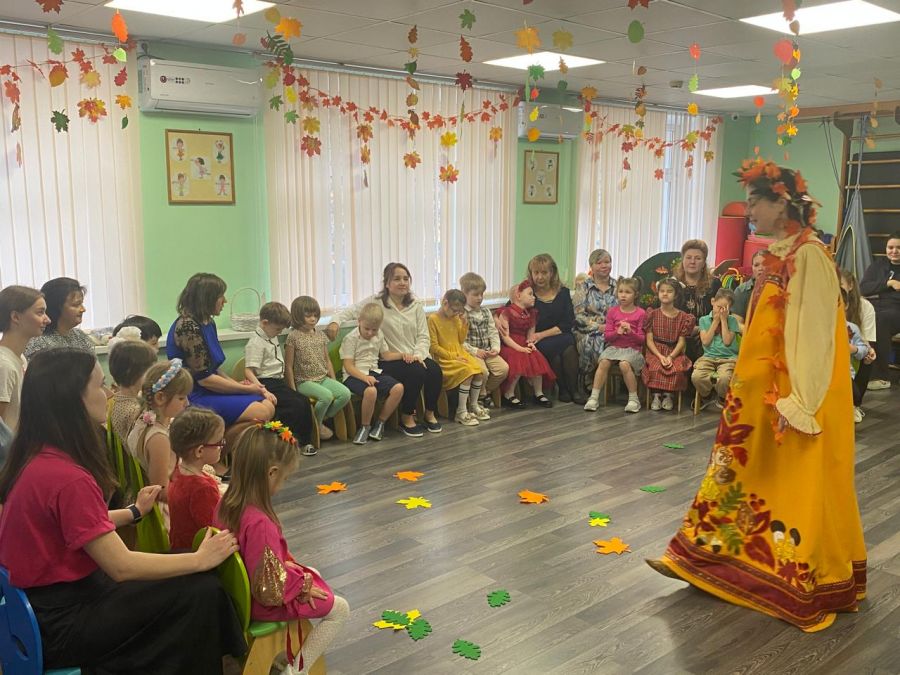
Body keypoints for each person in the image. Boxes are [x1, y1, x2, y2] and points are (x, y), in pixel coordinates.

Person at [648, 160, 866, 633]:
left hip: (791, 396)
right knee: (737, 474)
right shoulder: (777, 254)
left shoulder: (810, 257)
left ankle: (792, 578)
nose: (747, 211)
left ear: (781, 203)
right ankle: (700, 557)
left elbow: (816, 336)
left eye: (754, 202)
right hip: (758, 393)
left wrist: (800, 403)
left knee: (793, 486)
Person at [0, 349, 246, 673]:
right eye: (100, 385)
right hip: (63, 623)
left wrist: (133, 512)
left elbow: (77, 524)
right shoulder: (66, 476)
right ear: (74, 398)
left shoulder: (36, 456)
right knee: (201, 588)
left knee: (190, 571)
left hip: (40, 612)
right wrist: (201, 559)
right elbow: (121, 566)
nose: (107, 394)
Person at [215, 422, 349, 675]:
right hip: (260, 603)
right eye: (284, 478)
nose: (283, 483)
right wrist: (302, 586)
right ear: (271, 473)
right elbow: (269, 590)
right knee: (340, 609)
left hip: (237, 598)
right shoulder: (259, 523)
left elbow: (254, 563)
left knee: (311, 571)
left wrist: (292, 572)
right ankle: (296, 671)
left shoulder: (225, 502)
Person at [327, 263, 443, 437]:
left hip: (414, 355)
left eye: (406, 279)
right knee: (417, 372)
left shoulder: (416, 305)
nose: (402, 282)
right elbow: (350, 312)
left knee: (435, 371)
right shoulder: (376, 302)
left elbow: (423, 336)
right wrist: (334, 322)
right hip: (389, 358)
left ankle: (429, 414)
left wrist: (418, 355)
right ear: (387, 283)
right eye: (397, 279)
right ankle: (406, 417)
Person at [167, 273, 275, 426]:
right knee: (262, 412)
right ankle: (221, 440)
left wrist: (241, 386)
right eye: (220, 296)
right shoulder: (187, 326)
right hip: (192, 393)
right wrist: (245, 389)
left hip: (210, 387)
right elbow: (205, 380)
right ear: (207, 298)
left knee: (268, 405)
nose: (225, 300)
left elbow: (214, 369)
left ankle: (224, 439)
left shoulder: (208, 322)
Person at [244, 301, 316, 456]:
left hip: (278, 381)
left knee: (302, 401)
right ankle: (289, 443)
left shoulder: (270, 334)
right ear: (264, 323)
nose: (279, 332)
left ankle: (300, 441)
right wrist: (263, 391)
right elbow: (248, 371)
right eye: (277, 329)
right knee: (295, 404)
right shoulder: (255, 343)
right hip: (265, 383)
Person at [513, 254, 583, 403]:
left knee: (569, 347)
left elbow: (567, 323)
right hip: (537, 340)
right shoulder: (527, 293)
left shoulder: (563, 292)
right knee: (555, 353)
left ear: (552, 273)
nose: (540, 277)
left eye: (544, 272)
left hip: (558, 334)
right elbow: (510, 309)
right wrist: (497, 318)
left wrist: (541, 335)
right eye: (536, 273)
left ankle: (574, 390)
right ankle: (563, 389)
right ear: (531, 274)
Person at [285, 296, 350, 443]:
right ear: (297, 315)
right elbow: (288, 365)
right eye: (308, 316)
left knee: (345, 394)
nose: (313, 319)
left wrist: (333, 379)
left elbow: (327, 360)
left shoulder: (320, 335)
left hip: (323, 378)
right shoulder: (293, 337)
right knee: (326, 397)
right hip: (304, 382)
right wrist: (292, 389)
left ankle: (318, 419)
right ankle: (318, 426)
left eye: (315, 315)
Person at [127, 359, 192, 504]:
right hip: (164, 509)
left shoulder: (142, 419)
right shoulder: (158, 439)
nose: (187, 403)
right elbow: (161, 493)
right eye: (181, 398)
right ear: (160, 397)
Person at [339, 303, 404, 445]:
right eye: (366, 329)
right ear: (359, 321)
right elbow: (348, 366)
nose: (370, 333)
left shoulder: (379, 335)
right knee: (371, 391)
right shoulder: (351, 338)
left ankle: (380, 423)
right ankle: (365, 426)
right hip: (354, 375)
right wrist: (364, 377)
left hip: (374, 371)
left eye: (374, 330)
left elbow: (386, 355)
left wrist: (404, 355)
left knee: (398, 388)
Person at [584, 277, 646, 413]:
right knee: (603, 362)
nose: (623, 295)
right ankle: (594, 397)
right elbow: (607, 336)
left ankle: (633, 399)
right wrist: (617, 332)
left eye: (628, 292)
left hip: (632, 350)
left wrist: (630, 332)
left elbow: (641, 340)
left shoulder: (640, 313)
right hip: (614, 348)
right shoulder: (613, 311)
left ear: (635, 295)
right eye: (621, 291)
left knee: (624, 364)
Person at [168, 407, 226, 550]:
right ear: (200, 451)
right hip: (197, 552)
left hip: (181, 547)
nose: (222, 446)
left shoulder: (179, 471)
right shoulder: (202, 489)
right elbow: (216, 529)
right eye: (219, 443)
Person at [428, 290, 487, 426]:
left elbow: (460, 340)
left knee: (479, 371)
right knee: (467, 372)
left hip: (459, 353)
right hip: (444, 358)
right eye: (454, 310)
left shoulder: (455, 318)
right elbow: (434, 347)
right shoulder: (433, 319)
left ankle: (473, 405)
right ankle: (461, 411)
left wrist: (464, 323)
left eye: (459, 311)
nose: (456, 313)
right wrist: (452, 356)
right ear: (445, 303)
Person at [497, 280, 556, 409]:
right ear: (518, 296)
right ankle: (509, 393)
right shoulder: (507, 312)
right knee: (518, 359)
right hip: (510, 346)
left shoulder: (531, 314)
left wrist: (530, 344)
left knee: (536, 358)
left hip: (523, 344)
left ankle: (538, 393)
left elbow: (530, 335)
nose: (533, 297)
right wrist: (520, 348)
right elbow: (505, 337)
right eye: (530, 294)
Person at [0, 285, 50, 431]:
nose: (47, 320)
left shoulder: (20, 358)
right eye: (40, 312)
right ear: (15, 317)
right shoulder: (4, 365)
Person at [642, 278, 695, 411]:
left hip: (674, 351)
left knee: (676, 368)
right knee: (655, 367)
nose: (665, 294)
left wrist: (671, 357)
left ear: (676, 295)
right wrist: (660, 356)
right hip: (656, 351)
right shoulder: (652, 314)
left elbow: (681, 342)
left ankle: (668, 395)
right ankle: (656, 395)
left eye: (669, 291)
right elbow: (649, 340)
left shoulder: (683, 317)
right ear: (658, 293)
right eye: (662, 291)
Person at [459, 272, 509, 410]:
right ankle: (479, 397)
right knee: (483, 372)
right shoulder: (461, 314)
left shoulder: (486, 312)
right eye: (475, 295)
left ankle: (483, 393)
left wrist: (495, 348)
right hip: (471, 352)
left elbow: (493, 332)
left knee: (503, 369)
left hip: (487, 351)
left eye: (481, 294)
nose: (480, 298)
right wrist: (475, 351)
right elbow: (459, 340)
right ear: (464, 294)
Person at [859, 231, 900, 390]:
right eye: (890, 247)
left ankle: (881, 377)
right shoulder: (878, 265)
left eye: (898, 247)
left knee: (880, 320)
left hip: (896, 310)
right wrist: (888, 283)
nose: (894, 251)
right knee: (859, 315)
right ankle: (855, 369)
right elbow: (863, 288)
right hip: (877, 305)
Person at [574, 249, 617, 394]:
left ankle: (594, 380)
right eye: (599, 263)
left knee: (605, 339)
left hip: (613, 329)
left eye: (607, 262)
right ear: (591, 266)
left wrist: (610, 327)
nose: (604, 265)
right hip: (587, 329)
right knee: (593, 340)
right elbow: (578, 315)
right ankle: (589, 378)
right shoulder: (583, 287)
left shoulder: (618, 287)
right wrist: (598, 326)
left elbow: (625, 311)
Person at [691, 288, 741, 408]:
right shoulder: (704, 320)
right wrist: (715, 321)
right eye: (719, 307)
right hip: (708, 357)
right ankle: (706, 396)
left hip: (728, 359)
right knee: (697, 376)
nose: (721, 310)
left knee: (724, 378)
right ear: (713, 302)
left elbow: (727, 341)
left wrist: (723, 320)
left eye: (725, 308)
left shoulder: (732, 321)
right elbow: (705, 341)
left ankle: (722, 397)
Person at [673, 241, 722, 362]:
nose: (692, 261)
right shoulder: (672, 285)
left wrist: (702, 329)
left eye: (698, 258)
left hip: (708, 337)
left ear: (704, 262)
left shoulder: (715, 284)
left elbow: (720, 314)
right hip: (677, 337)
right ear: (682, 260)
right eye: (688, 257)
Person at [24, 277, 95, 359]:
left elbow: (94, 366)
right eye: (76, 305)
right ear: (56, 307)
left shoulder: (80, 336)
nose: (83, 309)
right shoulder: (38, 342)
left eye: (81, 303)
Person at [107, 338, 158, 448]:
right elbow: (148, 445)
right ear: (130, 371)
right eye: (150, 370)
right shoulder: (133, 411)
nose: (153, 376)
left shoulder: (117, 400)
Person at [839, 268, 877, 419]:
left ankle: (855, 404)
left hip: (854, 350)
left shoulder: (864, 307)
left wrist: (861, 349)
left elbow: (866, 339)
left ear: (850, 285)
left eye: (840, 285)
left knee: (868, 355)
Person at [732, 250, 766, 331]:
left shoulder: (778, 290)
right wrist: (754, 334)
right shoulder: (741, 291)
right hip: (749, 335)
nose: (760, 268)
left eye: (765, 264)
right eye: (756, 265)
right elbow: (736, 323)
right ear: (752, 268)